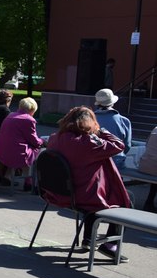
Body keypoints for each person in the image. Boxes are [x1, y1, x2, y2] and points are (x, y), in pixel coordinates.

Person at [45, 106, 130, 259]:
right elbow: (119, 145)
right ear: (90, 123)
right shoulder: (89, 143)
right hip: (84, 197)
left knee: (95, 192)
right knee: (123, 202)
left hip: (57, 193)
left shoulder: (54, 138)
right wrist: (101, 130)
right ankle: (109, 245)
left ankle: (88, 240)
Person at [0, 97, 44, 190]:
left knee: (16, 148)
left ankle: (7, 177)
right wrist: (43, 141)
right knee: (34, 150)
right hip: (16, 153)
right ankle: (28, 182)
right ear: (32, 109)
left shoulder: (10, 115)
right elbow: (34, 141)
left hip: (2, 151)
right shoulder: (29, 120)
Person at [93, 88, 131, 171]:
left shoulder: (89, 119)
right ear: (112, 103)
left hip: (94, 162)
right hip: (116, 162)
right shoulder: (124, 121)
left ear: (98, 103)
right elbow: (127, 145)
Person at [138, 126, 157, 212]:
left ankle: (149, 201)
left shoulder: (155, 128)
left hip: (145, 164)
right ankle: (149, 202)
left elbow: (147, 144)